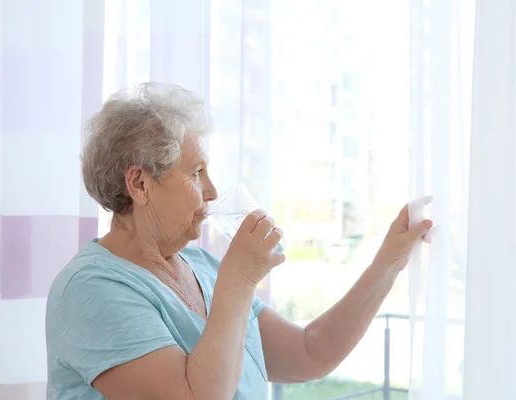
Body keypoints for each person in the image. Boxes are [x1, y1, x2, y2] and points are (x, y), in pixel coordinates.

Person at [45, 82, 433, 400]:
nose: (211, 191)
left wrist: (388, 262)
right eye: (196, 173)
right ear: (140, 183)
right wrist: (240, 280)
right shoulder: (91, 289)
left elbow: (309, 352)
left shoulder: (203, 268)